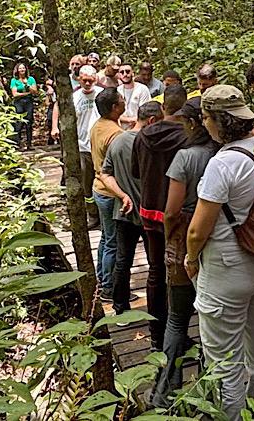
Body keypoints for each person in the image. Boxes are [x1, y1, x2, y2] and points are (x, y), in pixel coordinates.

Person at [184, 85, 254, 419]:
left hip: (227, 268)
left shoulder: (222, 165)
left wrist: (190, 257)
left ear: (216, 121)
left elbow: (198, 228)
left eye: (206, 118)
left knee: (224, 358)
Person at [150, 94, 214, 405]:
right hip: (216, 238)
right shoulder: (221, 153)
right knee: (209, 317)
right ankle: (207, 387)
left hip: (183, 238)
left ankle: (165, 390)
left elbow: (172, 210)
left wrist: (168, 237)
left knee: (177, 318)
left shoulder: (185, 158)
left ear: (190, 123)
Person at [132, 86, 190, 351]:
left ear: (163, 106)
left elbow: (135, 172)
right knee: (180, 274)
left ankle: (157, 335)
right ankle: (178, 333)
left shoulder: (141, 136)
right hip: (177, 213)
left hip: (149, 213)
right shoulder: (188, 138)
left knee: (155, 271)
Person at [100, 101, 164, 314]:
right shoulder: (152, 144)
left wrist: (121, 195)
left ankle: (120, 308)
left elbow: (104, 173)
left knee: (122, 261)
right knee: (156, 263)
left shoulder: (117, 142)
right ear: (152, 121)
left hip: (123, 212)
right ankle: (159, 308)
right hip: (150, 214)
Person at [90, 87, 126, 301]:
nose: (124, 102)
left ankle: (102, 278)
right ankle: (109, 288)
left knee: (106, 237)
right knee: (113, 241)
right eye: (121, 100)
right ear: (114, 107)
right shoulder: (115, 134)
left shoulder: (99, 126)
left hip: (99, 189)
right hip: (110, 191)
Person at [70, 65, 103, 228]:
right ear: (79, 79)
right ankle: (92, 214)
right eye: (85, 80)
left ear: (96, 79)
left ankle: (105, 215)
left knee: (104, 180)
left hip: (100, 146)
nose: (88, 83)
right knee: (86, 182)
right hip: (82, 146)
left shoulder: (102, 94)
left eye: (91, 80)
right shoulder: (75, 97)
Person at [9, 62, 38, 151]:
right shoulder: (14, 80)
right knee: (19, 122)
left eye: (23, 68)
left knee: (29, 122)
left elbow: (35, 91)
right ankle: (18, 144)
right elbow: (14, 94)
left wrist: (27, 85)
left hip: (28, 102)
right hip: (18, 102)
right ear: (17, 70)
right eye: (20, 68)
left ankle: (29, 144)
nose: (22, 70)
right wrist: (26, 93)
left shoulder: (31, 79)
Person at [117, 63, 152, 130]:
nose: (125, 74)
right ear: (119, 75)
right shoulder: (118, 90)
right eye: (122, 72)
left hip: (138, 129)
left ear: (133, 73)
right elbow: (115, 113)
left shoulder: (142, 89)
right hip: (121, 129)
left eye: (127, 71)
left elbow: (145, 113)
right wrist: (129, 120)